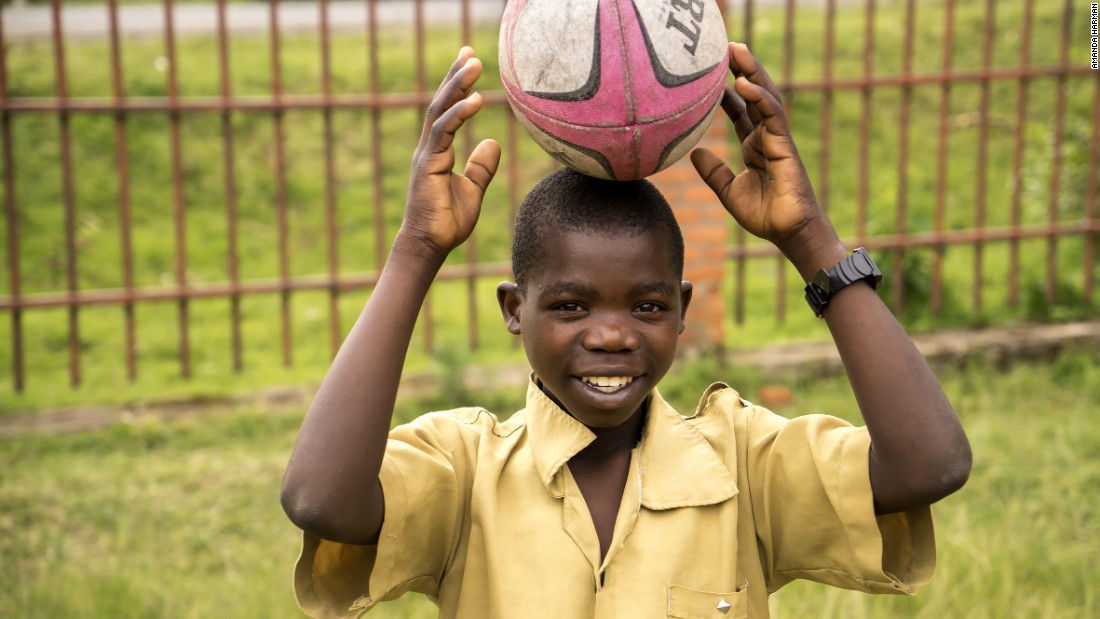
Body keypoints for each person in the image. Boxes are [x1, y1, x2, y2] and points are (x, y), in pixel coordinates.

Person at [281, 43, 972, 618]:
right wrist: (416, 249)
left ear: (681, 308)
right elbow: (321, 499)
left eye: (646, 306)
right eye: (572, 306)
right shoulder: (466, 473)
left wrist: (808, 235)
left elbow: (928, 464)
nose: (612, 335)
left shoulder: (742, 464)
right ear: (514, 309)